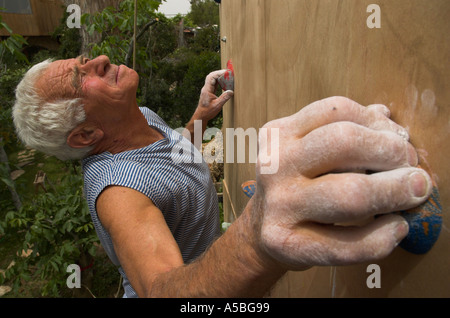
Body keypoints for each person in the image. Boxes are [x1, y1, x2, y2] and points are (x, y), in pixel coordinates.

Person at [12, 55, 432, 297]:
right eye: (81, 76)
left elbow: (170, 154)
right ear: (86, 134)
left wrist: (201, 116)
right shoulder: (120, 192)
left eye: (86, 62)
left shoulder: (137, 118)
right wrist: (257, 237)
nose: (100, 60)